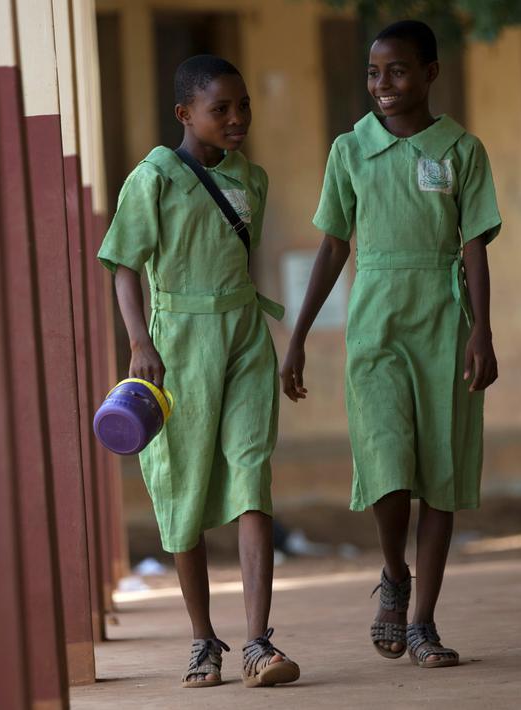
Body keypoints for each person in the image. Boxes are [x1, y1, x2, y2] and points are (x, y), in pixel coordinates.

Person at [280, 20, 501, 669]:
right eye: (374, 73)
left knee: (438, 471)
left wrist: (482, 331)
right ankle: (392, 574)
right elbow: (332, 245)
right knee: (385, 462)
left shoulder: (461, 149)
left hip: (443, 318)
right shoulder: (350, 150)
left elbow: (474, 246)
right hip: (374, 320)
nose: (383, 84)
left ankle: (422, 624)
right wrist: (294, 339)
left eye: (398, 70)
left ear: (431, 73)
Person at [97, 54, 298, 689]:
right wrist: (139, 341)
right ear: (185, 114)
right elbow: (125, 265)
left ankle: (259, 642)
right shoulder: (151, 179)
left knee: (250, 478)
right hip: (174, 348)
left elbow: (239, 259)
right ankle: (201, 640)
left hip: (243, 338)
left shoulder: (252, 179)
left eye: (243, 106)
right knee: (180, 489)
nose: (237, 118)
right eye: (221, 109)